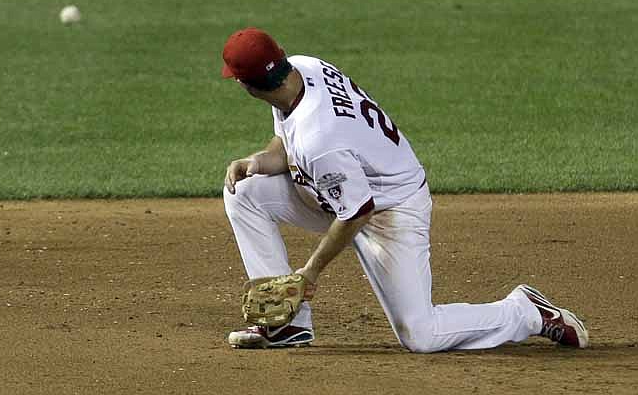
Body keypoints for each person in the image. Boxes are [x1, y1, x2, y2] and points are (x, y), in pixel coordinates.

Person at [220, 27, 589, 351]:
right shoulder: (301, 70)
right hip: (341, 186)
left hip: (389, 207)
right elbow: (289, 141)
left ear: (246, 86)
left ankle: (525, 312)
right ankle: (286, 325)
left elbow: (357, 211)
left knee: (421, 335)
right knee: (245, 191)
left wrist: (308, 274)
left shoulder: (320, 138)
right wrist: (257, 162)